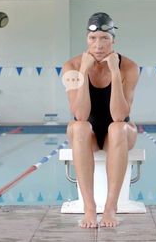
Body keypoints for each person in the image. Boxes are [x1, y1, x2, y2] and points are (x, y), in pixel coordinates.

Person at [62, 12, 139, 228]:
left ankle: (110, 208)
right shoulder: (71, 67)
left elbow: (119, 116)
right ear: (86, 39)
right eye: (93, 39)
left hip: (120, 131)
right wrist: (84, 70)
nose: (98, 45)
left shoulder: (129, 68)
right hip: (89, 135)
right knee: (79, 127)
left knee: (117, 128)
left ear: (113, 40)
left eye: (105, 38)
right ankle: (89, 207)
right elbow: (81, 114)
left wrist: (115, 72)